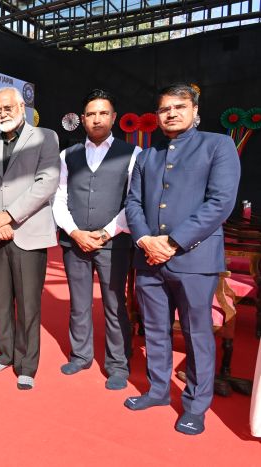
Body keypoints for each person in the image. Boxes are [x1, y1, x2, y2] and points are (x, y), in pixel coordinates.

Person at [124, 83, 240, 435]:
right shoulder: (147, 156)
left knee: (196, 333)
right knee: (155, 330)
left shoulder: (218, 145)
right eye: (164, 109)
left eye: (179, 107)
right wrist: (145, 240)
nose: (171, 113)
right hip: (149, 258)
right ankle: (158, 390)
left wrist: (173, 242)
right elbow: (133, 203)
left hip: (195, 259)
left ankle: (195, 405)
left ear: (195, 111)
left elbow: (220, 202)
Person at [52, 89, 141, 390]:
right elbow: (59, 198)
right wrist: (74, 232)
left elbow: (134, 201)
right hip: (74, 242)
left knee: (115, 305)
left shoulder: (132, 154)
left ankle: (118, 364)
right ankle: (80, 355)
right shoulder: (68, 155)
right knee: (79, 303)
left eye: (103, 113)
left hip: (114, 243)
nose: (97, 119)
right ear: (83, 119)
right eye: (91, 114)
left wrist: (105, 233)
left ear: (114, 117)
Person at [0, 87, 59, 389]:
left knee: (28, 303)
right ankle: (5, 353)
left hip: (28, 233)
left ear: (22, 107)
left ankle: (27, 364)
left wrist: (8, 215)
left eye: (8, 108)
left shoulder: (45, 137)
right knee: (0, 302)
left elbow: (47, 182)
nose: (2, 113)